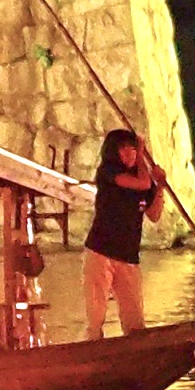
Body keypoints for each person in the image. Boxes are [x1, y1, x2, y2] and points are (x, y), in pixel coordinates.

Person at [82, 127, 165, 339]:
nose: (131, 154)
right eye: (125, 149)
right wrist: (143, 155)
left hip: (128, 256)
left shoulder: (142, 180)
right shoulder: (108, 173)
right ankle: (92, 350)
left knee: (134, 318)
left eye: (133, 149)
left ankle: (136, 355)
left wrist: (161, 187)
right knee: (96, 314)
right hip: (101, 252)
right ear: (113, 152)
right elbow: (143, 183)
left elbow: (154, 215)